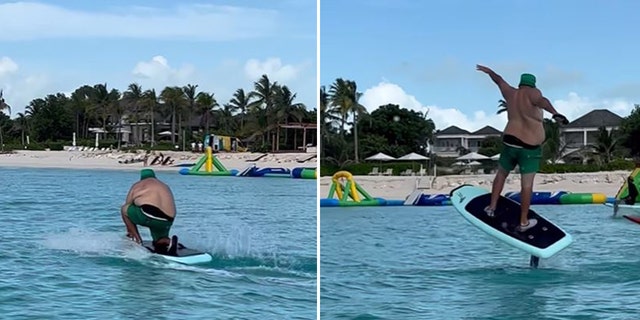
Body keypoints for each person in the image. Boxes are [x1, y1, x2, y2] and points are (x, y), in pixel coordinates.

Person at [477, 64, 569, 232]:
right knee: (526, 185)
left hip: (509, 142)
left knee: (501, 175)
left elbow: (499, 80)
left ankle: (491, 208)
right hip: (529, 148)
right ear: (533, 85)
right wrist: (554, 113)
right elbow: (542, 101)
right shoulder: (533, 93)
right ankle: (523, 222)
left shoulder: (511, 93)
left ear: (520, 83)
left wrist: (489, 71)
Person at [121, 168, 179, 255]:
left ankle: (136, 240)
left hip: (148, 215)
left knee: (124, 209)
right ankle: (166, 241)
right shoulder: (164, 185)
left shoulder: (138, 185)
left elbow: (128, 203)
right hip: (167, 219)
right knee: (159, 238)